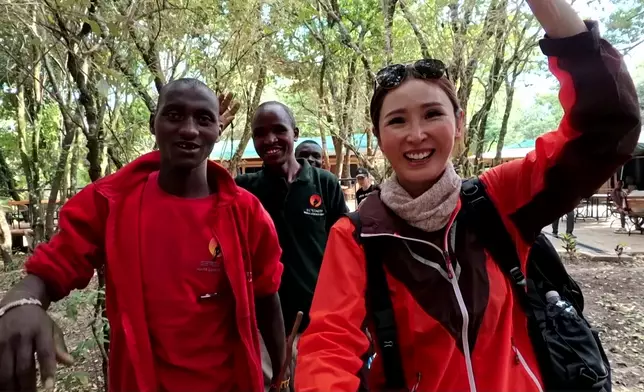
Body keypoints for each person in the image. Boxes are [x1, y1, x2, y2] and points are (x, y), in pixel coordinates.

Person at [295, 1, 641, 390]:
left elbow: (603, 128)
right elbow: (328, 346)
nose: (416, 134)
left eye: (432, 114)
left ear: (459, 125)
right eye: (397, 120)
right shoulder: (358, 236)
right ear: (378, 138)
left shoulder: (500, 199)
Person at [0, 79, 289, 392]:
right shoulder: (111, 201)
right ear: (154, 124)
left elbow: (267, 296)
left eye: (204, 119)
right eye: (175, 115)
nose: (189, 130)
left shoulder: (246, 213)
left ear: (219, 129)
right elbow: (56, 264)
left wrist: (281, 377)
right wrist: (21, 302)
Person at [236, 101, 349, 390]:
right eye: (260, 133)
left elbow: (345, 252)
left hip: (316, 323)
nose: (269, 139)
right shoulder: (244, 189)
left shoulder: (325, 184)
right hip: (261, 328)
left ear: (294, 132)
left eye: (278, 130)